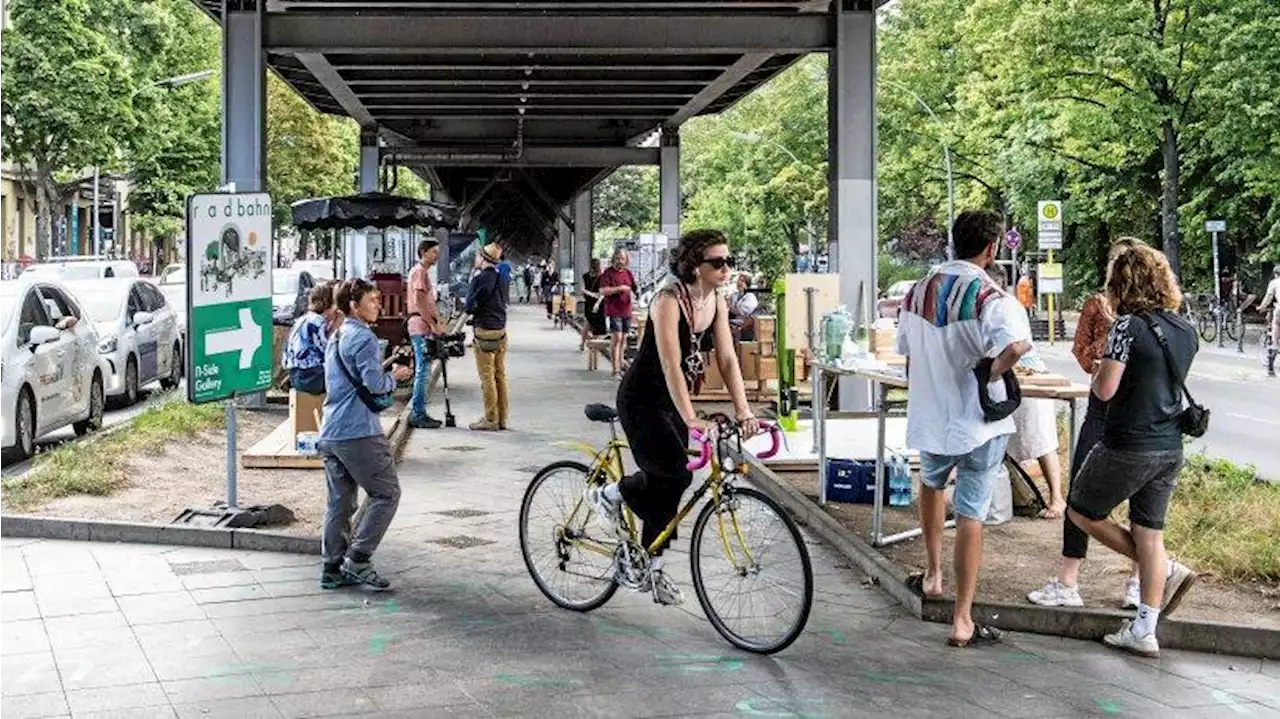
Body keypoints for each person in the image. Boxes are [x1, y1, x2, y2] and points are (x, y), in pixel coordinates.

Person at [588, 229, 760, 606]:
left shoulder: (714, 298)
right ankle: (610, 494)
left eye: (729, 260)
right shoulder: (668, 301)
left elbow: (729, 360)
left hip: (672, 402)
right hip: (642, 398)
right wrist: (692, 418)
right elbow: (669, 364)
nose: (727, 268)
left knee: (671, 485)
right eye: (718, 262)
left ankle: (651, 565)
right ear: (695, 267)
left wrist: (744, 409)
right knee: (674, 474)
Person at [897, 209, 1032, 647]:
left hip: (932, 416)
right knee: (971, 512)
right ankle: (962, 620)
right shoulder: (991, 296)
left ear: (954, 242)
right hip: (978, 422)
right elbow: (1017, 346)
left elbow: (906, 351)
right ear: (992, 249)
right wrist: (993, 372)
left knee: (931, 486)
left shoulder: (917, 293)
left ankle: (933, 576)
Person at [1067, 245, 1199, 658]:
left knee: (1081, 510)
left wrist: (1100, 369)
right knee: (1148, 531)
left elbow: (1105, 389)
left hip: (1127, 444)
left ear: (1120, 284)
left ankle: (1166, 568)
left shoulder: (1126, 327)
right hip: (1169, 447)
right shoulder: (1185, 329)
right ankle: (1145, 627)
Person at [1027, 238, 1144, 610]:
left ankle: (1140, 579)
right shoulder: (1097, 305)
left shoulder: (1151, 317)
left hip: (1137, 409)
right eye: (1113, 262)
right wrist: (1109, 343)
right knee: (1080, 486)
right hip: (1100, 406)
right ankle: (1068, 578)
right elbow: (1081, 353)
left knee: (1142, 497)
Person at [318, 278, 413, 591]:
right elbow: (373, 383)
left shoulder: (336, 334)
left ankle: (332, 568)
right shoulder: (363, 338)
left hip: (331, 430)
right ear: (354, 306)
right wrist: (395, 376)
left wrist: (382, 368)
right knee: (387, 493)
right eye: (372, 300)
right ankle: (359, 558)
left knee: (340, 503)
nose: (379, 305)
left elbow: (349, 380)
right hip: (358, 431)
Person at [985, 268, 1065, 521]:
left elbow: (1020, 346)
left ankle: (1057, 497)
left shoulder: (1007, 306)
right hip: (1006, 375)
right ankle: (1006, 493)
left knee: (1040, 437)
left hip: (1026, 372)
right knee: (1004, 438)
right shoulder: (990, 305)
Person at [466, 242, 509, 431]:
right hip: (500, 330)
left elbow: (469, 305)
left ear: (483, 259)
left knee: (487, 377)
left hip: (484, 331)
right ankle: (502, 418)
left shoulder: (480, 278)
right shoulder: (502, 278)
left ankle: (491, 419)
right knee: (500, 375)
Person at [407, 239, 445, 429]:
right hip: (420, 326)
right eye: (433, 252)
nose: (436, 255)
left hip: (423, 325)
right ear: (423, 252)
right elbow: (419, 300)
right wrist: (431, 323)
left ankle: (419, 411)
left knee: (424, 369)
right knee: (423, 371)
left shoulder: (422, 272)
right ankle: (418, 413)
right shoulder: (420, 272)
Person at [282, 282, 339, 396]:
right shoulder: (318, 322)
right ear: (328, 303)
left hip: (296, 374)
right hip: (312, 377)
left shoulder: (303, 319)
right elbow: (327, 352)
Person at [600, 249, 638, 379]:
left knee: (624, 339)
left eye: (622, 259)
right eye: (617, 258)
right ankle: (614, 369)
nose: (620, 261)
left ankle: (621, 364)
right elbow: (603, 290)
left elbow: (635, 288)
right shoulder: (608, 273)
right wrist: (619, 288)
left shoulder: (628, 273)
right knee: (617, 338)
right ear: (613, 259)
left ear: (626, 260)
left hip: (626, 309)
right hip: (614, 309)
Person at [579, 258, 607, 352]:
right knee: (598, 326)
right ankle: (594, 347)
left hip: (589, 302)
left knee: (588, 323)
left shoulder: (585, 276)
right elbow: (602, 293)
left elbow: (582, 290)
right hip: (599, 303)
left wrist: (590, 294)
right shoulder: (603, 277)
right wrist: (596, 298)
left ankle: (583, 344)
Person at [1258, 266, 1280, 377]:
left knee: (1276, 324)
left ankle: (1275, 346)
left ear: (1276, 274)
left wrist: (1261, 307)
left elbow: (1268, 297)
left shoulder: (1275, 282)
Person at [728, 272, 760, 341]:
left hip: (744, 326)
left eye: (742, 281)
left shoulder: (750, 297)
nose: (739, 283)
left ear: (747, 284)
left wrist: (729, 307)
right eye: (738, 280)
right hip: (733, 322)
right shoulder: (735, 295)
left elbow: (741, 312)